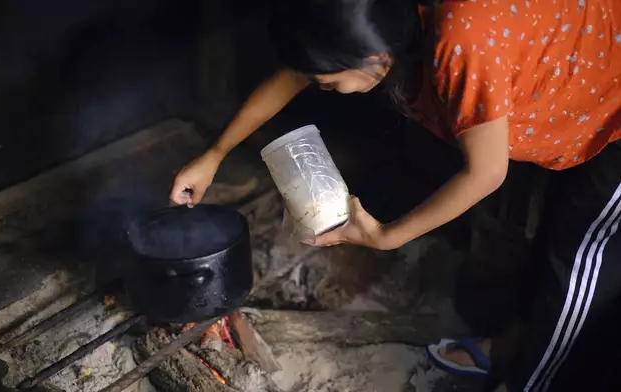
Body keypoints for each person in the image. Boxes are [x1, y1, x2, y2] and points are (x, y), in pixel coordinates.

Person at [170, 1, 621, 391]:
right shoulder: (373, 17)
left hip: (611, 104)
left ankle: (527, 381)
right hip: (568, 68)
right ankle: (510, 347)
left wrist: (387, 235)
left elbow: (485, 174)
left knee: (577, 259)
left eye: (328, 83)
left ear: (375, 56)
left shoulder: (462, 43)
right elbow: (295, 74)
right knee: (549, 233)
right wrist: (215, 153)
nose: (325, 89)